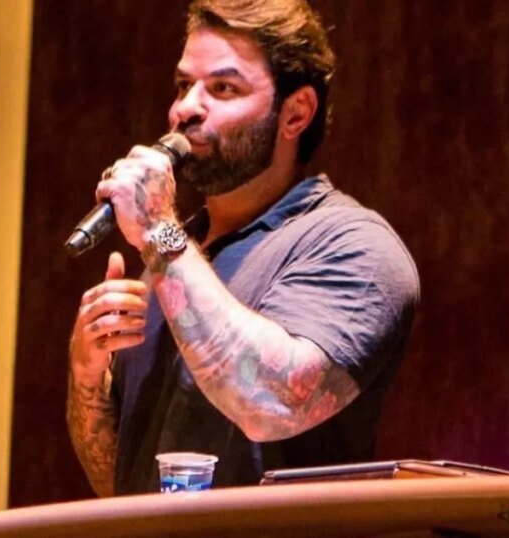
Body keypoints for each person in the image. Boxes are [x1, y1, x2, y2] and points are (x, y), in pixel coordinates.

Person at [66, 0, 419, 497]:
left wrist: (159, 229)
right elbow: (121, 484)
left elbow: (270, 407)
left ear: (295, 113)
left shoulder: (353, 246)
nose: (185, 108)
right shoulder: (170, 262)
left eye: (223, 88)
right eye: (183, 85)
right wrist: (86, 380)